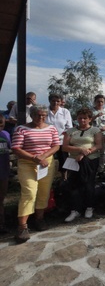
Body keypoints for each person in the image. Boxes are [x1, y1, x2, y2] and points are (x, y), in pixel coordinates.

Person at [11, 104, 60, 243]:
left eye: (43, 115)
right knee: (29, 192)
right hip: (28, 163)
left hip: (45, 164)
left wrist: (43, 156)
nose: (41, 117)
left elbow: (56, 145)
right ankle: (22, 226)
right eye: (38, 115)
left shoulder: (51, 128)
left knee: (44, 192)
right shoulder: (22, 129)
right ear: (32, 115)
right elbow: (16, 148)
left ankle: (39, 219)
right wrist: (34, 157)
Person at [62, 108, 102, 222]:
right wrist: (80, 149)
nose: (82, 120)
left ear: (90, 119)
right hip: (74, 161)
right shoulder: (70, 131)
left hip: (90, 161)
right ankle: (75, 210)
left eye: (85, 118)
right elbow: (65, 146)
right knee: (74, 185)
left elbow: (98, 145)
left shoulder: (95, 130)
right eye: (80, 118)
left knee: (88, 184)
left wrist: (85, 153)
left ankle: (89, 207)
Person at [46, 93, 73, 176]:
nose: (55, 103)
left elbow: (69, 127)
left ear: (61, 102)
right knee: (47, 160)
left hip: (61, 140)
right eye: (53, 101)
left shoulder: (65, 112)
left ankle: (63, 179)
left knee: (63, 161)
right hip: (47, 140)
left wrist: (62, 136)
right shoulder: (45, 111)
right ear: (49, 101)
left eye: (58, 101)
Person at [92, 94, 105, 174]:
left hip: (104, 134)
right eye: (98, 101)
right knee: (93, 151)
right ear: (95, 102)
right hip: (93, 134)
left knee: (102, 152)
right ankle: (93, 167)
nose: (100, 103)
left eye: (102, 101)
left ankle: (100, 169)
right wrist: (96, 115)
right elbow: (88, 120)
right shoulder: (91, 111)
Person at [0, 116, 11, 232]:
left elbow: (11, 147)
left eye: (1, 125)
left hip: (3, 170)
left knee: (1, 198)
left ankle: (1, 224)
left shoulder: (6, 134)